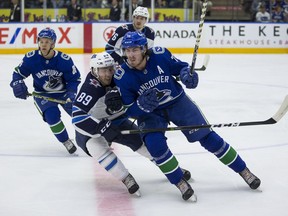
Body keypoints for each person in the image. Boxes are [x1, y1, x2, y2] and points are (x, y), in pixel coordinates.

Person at [112, 31, 261, 201]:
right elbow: (129, 110)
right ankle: (179, 181)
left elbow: (182, 67)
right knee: (155, 146)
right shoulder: (121, 76)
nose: (131, 55)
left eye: (135, 50)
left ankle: (244, 170)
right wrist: (139, 106)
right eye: (127, 50)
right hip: (151, 113)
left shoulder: (161, 55)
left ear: (144, 49)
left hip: (177, 103)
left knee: (209, 138)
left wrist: (186, 75)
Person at [72, 52, 191, 195]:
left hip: (117, 120)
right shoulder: (90, 88)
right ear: (94, 71)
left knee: (144, 144)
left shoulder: (120, 77)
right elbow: (78, 119)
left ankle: (173, 171)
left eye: (110, 69)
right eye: (103, 70)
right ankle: (125, 177)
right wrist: (101, 128)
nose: (108, 74)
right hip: (91, 129)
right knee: (98, 150)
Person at [10, 28, 81, 155]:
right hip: (43, 95)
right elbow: (17, 74)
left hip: (64, 93)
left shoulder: (64, 60)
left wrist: (71, 93)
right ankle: (65, 140)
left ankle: (93, 136)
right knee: (52, 117)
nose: (43, 44)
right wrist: (17, 83)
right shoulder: (31, 58)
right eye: (41, 41)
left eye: (47, 42)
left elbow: (74, 79)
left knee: (79, 114)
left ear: (53, 44)